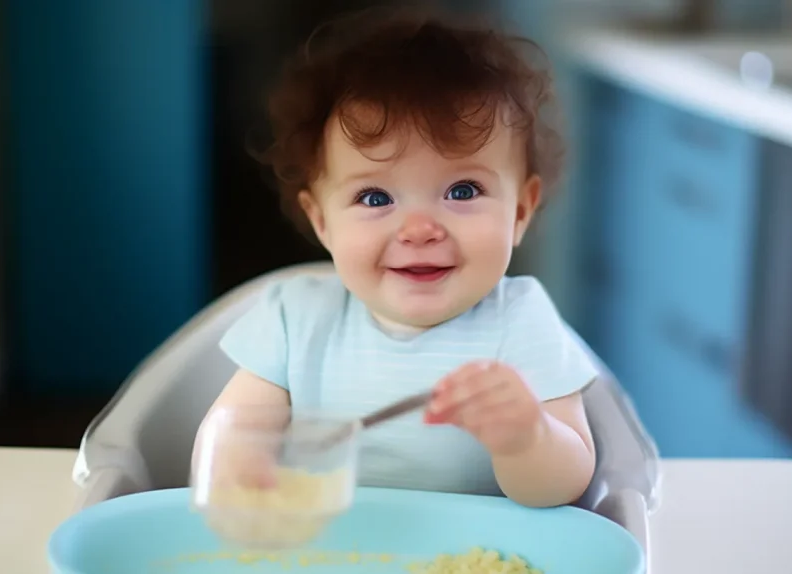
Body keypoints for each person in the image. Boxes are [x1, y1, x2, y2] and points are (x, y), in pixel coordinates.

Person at [202, 7, 597, 508]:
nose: (419, 230)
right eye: (374, 199)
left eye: (462, 190)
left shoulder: (522, 323)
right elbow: (232, 431)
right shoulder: (293, 320)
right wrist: (243, 469)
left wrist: (527, 437)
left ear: (520, 211)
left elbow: (564, 488)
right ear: (322, 220)